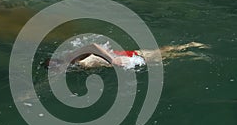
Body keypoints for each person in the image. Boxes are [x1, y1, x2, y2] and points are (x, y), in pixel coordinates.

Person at [47, 42, 209, 69]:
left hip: (130, 56)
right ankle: (189, 50)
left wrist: (113, 59)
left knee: (165, 54)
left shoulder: (72, 58)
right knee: (163, 54)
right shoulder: (72, 67)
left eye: (54, 65)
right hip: (129, 57)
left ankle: (189, 48)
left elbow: (93, 46)